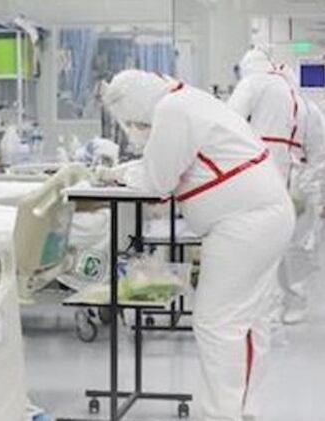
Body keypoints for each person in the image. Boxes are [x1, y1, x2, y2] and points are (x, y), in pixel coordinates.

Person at [102, 70, 294, 421]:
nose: (135, 130)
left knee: (217, 323)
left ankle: (222, 414)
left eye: (134, 123)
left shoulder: (171, 111)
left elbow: (157, 181)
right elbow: (169, 163)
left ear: (136, 109)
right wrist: (131, 169)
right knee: (248, 320)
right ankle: (245, 410)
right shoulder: (188, 100)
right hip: (263, 216)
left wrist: (120, 174)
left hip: (244, 224)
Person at [228, 51, 325, 324]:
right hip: (297, 183)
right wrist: (317, 193)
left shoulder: (252, 85)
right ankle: (291, 302)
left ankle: (265, 306)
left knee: (264, 244)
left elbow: (228, 124)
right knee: (293, 245)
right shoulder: (306, 106)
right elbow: (319, 154)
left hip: (266, 179)